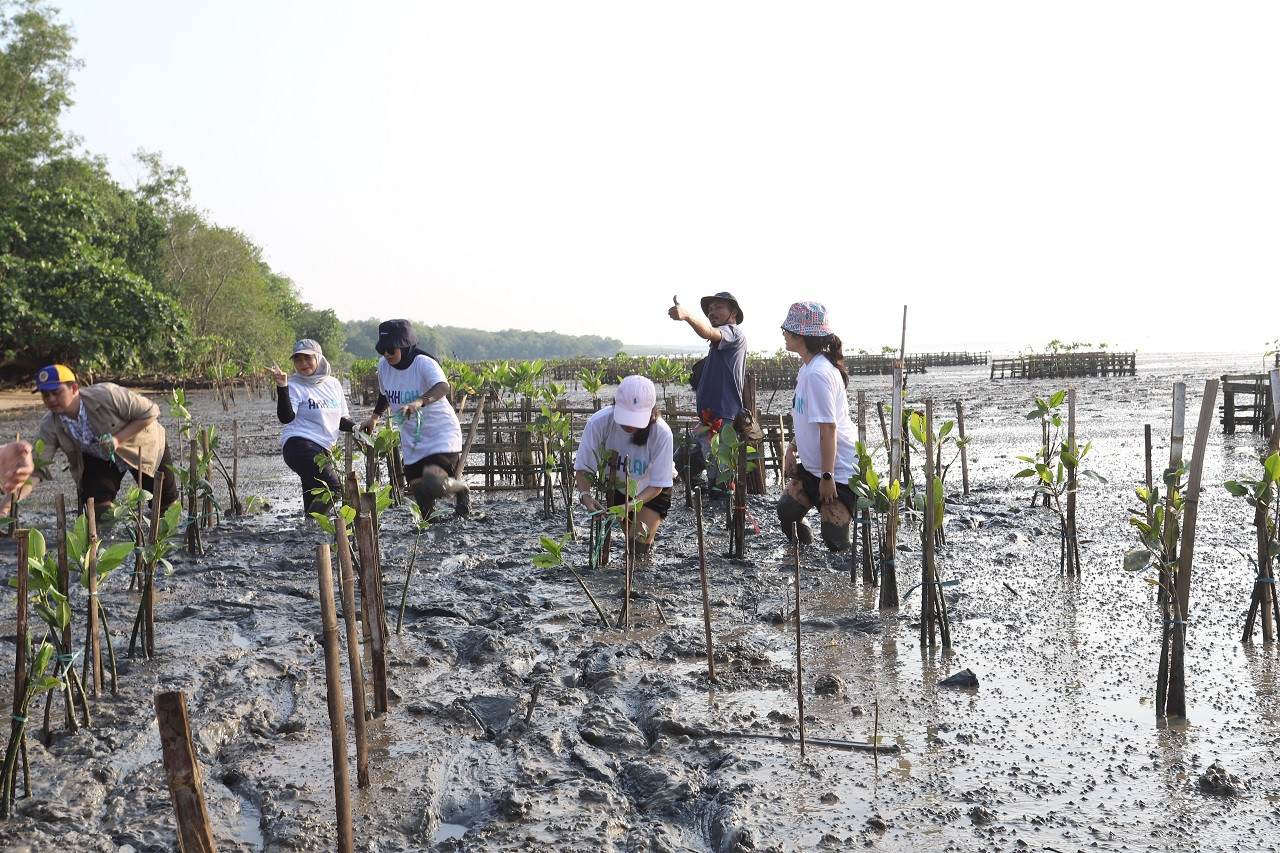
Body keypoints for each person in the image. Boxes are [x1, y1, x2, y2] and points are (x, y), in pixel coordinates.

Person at [0, 365, 178, 521]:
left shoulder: (107, 394)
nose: (51, 400)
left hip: (142, 446)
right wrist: (4, 509)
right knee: (97, 505)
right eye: (46, 395)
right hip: (101, 456)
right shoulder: (49, 425)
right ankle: (108, 546)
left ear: (74, 388)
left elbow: (151, 411)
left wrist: (117, 439)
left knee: (166, 504)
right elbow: (36, 470)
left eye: (57, 392)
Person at [359, 319, 469, 519]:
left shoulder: (423, 363)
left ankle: (461, 490)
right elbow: (385, 394)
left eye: (391, 350)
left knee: (434, 483)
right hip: (413, 438)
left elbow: (443, 387)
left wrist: (419, 402)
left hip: (440, 433)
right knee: (422, 501)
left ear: (404, 345)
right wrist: (374, 418)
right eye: (383, 350)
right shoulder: (384, 366)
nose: (387, 355)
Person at [777, 302, 858, 552]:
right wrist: (791, 449)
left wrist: (827, 477)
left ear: (801, 335)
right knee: (787, 512)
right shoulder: (807, 369)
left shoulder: (818, 374)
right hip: (815, 467)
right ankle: (804, 562)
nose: (784, 334)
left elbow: (828, 430)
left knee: (835, 540)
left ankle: (845, 585)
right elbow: (805, 420)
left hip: (838, 470)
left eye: (788, 329)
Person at [573, 374, 675, 560]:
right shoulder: (598, 423)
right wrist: (585, 496)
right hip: (618, 487)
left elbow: (658, 484)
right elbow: (583, 468)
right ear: (615, 405)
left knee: (638, 545)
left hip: (651, 490)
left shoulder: (662, 433)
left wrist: (630, 506)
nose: (629, 425)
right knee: (629, 543)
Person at [668, 291, 747, 492]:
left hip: (722, 422)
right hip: (705, 421)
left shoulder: (733, 333)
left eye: (719, 308)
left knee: (719, 483)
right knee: (677, 466)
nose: (712, 313)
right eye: (710, 310)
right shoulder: (717, 345)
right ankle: (696, 502)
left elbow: (708, 332)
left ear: (734, 312)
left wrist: (686, 316)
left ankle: (722, 515)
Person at [269, 339, 357, 515]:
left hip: (322, 450)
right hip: (299, 446)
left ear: (318, 358)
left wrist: (356, 427)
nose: (303, 363)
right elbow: (286, 417)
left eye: (308, 358)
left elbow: (339, 420)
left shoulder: (333, 384)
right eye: (298, 359)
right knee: (333, 489)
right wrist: (282, 387)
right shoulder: (294, 385)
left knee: (313, 496)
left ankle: (311, 536)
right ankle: (311, 528)